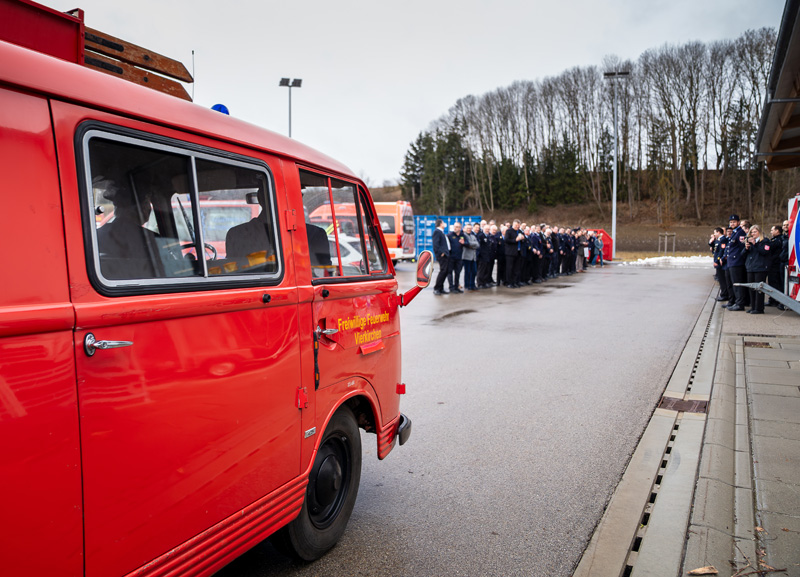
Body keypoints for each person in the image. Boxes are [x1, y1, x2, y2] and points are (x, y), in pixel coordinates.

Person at [95, 177, 161, 279]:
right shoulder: (151, 239)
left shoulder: (96, 237)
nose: (149, 207)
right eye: (148, 202)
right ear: (143, 206)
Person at [744, 225, 771, 314]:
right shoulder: (750, 242)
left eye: (755, 232)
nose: (753, 234)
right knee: (751, 288)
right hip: (750, 268)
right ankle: (753, 306)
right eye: (751, 232)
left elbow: (764, 252)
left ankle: (759, 308)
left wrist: (755, 244)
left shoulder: (765, 241)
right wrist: (746, 248)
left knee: (759, 289)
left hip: (760, 268)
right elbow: (743, 254)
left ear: (759, 232)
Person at [724, 214, 749, 311]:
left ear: (738, 222)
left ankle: (740, 304)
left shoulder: (740, 233)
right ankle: (736, 302)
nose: (732, 223)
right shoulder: (734, 232)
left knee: (738, 284)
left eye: (734, 222)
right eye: (731, 222)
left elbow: (742, 249)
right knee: (734, 284)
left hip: (737, 262)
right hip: (732, 262)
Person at [766, 225, 785, 307]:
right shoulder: (774, 240)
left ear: (777, 231)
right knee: (772, 282)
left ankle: (775, 300)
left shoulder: (778, 240)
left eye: (772, 230)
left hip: (775, 265)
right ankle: (772, 299)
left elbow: (770, 248)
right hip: (772, 264)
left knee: (775, 283)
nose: (771, 232)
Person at [432, 219, 451, 295]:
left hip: (446, 254)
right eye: (443, 223)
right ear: (440, 224)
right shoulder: (437, 232)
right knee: (443, 271)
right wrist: (441, 253)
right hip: (442, 255)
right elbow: (436, 244)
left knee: (445, 271)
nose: (444, 224)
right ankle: (437, 288)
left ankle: (441, 288)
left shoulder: (441, 232)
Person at [504, 219, 525, 288]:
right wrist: (515, 240)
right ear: (513, 224)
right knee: (510, 268)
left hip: (518, 252)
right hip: (510, 253)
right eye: (516, 225)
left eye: (518, 226)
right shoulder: (509, 231)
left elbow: (524, 240)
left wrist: (522, 239)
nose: (517, 227)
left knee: (517, 268)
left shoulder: (520, 231)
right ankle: (509, 282)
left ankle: (515, 281)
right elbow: (506, 240)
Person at [447, 222, 466, 293]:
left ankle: (456, 287)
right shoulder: (450, 235)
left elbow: (467, 243)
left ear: (460, 228)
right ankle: (451, 288)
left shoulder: (462, 235)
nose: (455, 228)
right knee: (450, 272)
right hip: (451, 257)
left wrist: (464, 243)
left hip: (459, 257)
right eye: (455, 226)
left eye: (457, 227)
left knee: (457, 273)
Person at [462, 223, 480, 290]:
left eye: (470, 228)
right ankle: (467, 285)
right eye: (468, 228)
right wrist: (472, 245)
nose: (469, 229)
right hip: (466, 257)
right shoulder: (463, 236)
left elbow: (477, 245)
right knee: (467, 272)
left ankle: (472, 285)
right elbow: (465, 243)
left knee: (474, 271)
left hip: (473, 257)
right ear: (465, 229)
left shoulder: (473, 236)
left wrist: (470, 244)